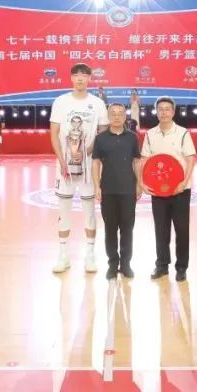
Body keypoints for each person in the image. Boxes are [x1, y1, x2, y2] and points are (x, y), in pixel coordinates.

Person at [50, 63, 108, 273]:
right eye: (76, 75)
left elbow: (103, 132)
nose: (80, 78)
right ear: (71, 78)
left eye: (84, 75)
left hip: (89, 166)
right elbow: (54, 133)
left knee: (89, 211)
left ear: (90, 78)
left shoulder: (97, 103)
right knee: (64, 210)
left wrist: (86, 152)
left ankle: (90, 255)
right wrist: (62, 161)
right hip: (65, 166)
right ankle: (63, 255)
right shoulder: (61, 101)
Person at [143, 97, 196, 282]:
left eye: (167, 109)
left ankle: (181, 267)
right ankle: (162, 265)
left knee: (182, 230)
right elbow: (145, 160)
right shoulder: (150, 134)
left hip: (180, 190)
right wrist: (143, 183)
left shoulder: (183, 133)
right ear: (156, 112)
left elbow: (190, 159)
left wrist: (184, 182)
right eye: (161, 109)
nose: (164, 112)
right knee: (161, 229)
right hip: (158, 191)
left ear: (173, 112)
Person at [92, 103, 142, 280]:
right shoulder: (100, 139)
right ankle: (113, 264)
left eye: (120, 113)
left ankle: (126, 264)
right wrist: (97, 186)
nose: (116, 116)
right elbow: (96, 163)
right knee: (110, 229)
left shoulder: (132, 138)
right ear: (108, 116)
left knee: (127, 229)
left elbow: (137, 161)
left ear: (125, 116)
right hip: (108, 190)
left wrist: (139, 183)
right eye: (113, 113)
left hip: (128, 190)